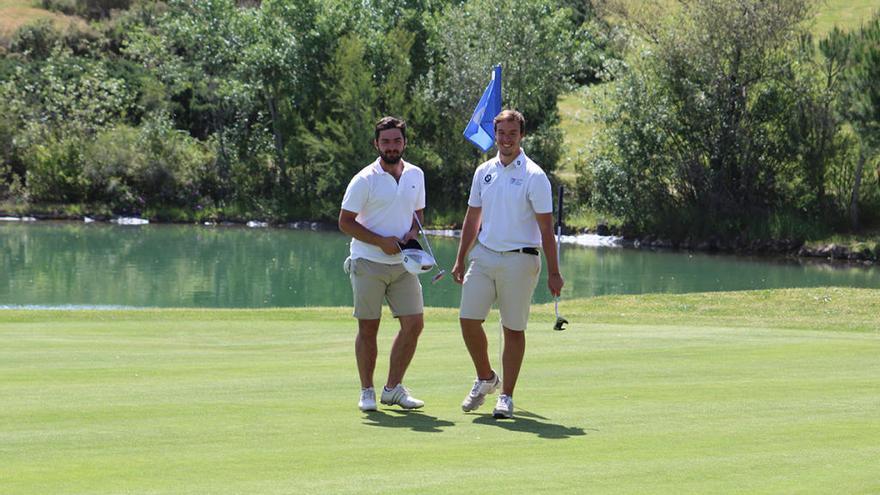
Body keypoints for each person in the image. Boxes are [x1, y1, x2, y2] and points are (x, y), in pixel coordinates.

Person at [451, 109, 564, 419]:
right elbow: (473, 217)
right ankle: (486, 377)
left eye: (512, 134)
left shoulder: (534, 175)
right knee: (468, 319)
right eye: (501, 133)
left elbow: (545, 229)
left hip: (521, 258)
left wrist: (554, 272)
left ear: (521, 136)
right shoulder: (483, 171)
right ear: (495, 134)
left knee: (513, 328)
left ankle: (506, 396)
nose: (506, 139)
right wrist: (460, 258)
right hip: (484, 255)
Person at [338, 116, 427, 412]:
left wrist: (412, 235)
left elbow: (418, 214)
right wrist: (380, 241)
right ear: (377, 144)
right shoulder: (364, 179)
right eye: (386, 141)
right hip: (368, 261)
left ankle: (392, 388)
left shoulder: (416, 174)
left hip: (404, 263)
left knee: (414, 324)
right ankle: (367, 391)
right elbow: (345, 222)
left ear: (404, 143)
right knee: (369, 328)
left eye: (396, 141)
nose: (391, 146)